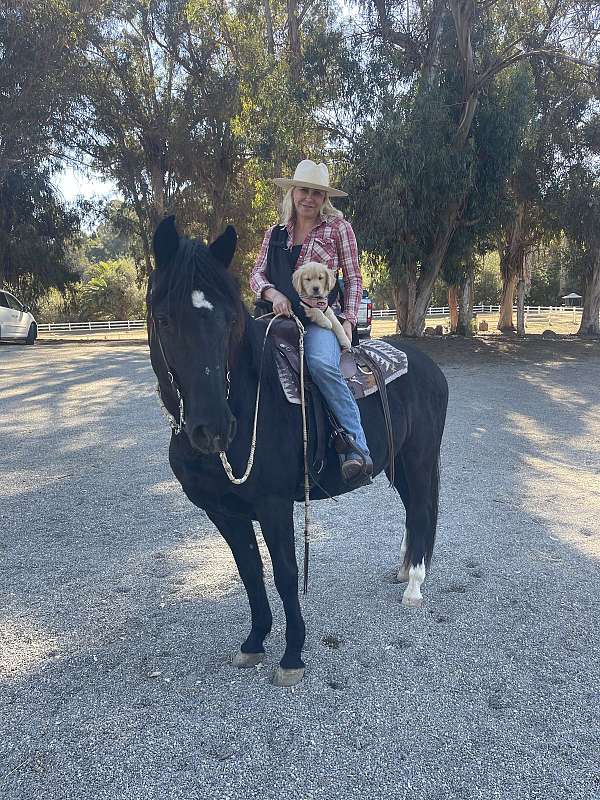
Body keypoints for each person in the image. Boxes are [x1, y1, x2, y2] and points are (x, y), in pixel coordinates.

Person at [250, 159, 373, 484]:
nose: (309, 198)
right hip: (276, 319)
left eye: (317, 193)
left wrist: (347, 320)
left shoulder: (338, 228)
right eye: (304, 190)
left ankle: (355, 447)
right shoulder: (273, 234)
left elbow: (354, 276)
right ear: (293, 192)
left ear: (324, 198)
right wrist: (273, 294)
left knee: (321, 364)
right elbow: (256, 274)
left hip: (320, 321)